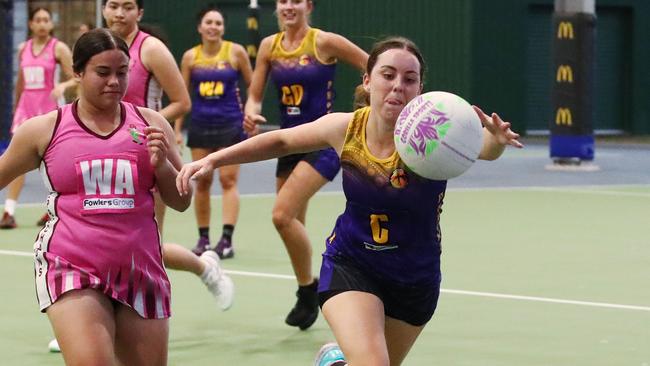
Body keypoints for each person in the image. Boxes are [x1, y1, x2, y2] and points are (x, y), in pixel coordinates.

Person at [177, 36, 523, 365]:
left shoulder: (436, 136)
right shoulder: (346, 129)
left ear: (420, 90)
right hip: (352, 264)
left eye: (409, 78)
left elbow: (482, 150)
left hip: (416, 277)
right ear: (368, 80)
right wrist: (214, 159)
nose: (398, 85)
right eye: (388, 75)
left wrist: (495, 140)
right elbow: (281, 141)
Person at [0, 28, 192, 365]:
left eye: (122, 72)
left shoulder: (151, 124)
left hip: (139, 266)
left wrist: (162, 167)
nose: (114, 82)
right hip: (71, 264)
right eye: (103, 73)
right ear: (77, 73)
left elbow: (181, 200)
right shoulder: (46, 129)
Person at [243, 0, 368, 330]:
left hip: (322, 142)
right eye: (283, 1)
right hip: (290, 142)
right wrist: (251, 111)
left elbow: (371, 66)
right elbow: (255, 93)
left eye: (295, 0)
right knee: (291, 224)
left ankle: (316, 287)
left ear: (307, 6)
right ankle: (308, 292)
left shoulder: (323, 41)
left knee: (281, 215)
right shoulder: (270, 46)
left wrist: (367, 103)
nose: (288, 6)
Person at [102, 0, 233, 308]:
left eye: (128, 6)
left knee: (148, 245)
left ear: (140, 13)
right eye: (113, 5)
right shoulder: (98, 46)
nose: (120, 13)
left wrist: (139, 124)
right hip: (105, 156)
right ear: (104, 9)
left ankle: (204, 269)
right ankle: (90, 314)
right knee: (101, 237)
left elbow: (181, 102)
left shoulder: (151, 49)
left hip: (147, 155)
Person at [177, 5, 253, 258]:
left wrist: (250, 116)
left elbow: (254, 87)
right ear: (200, 27)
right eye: (208, 22)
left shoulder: (236, 52)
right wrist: (177, 130)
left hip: (230, 124)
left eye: (218, 23)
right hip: (199, 125)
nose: (213, 27)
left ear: (223, 28)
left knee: (228, 180)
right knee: (202, 182)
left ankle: (227, 241)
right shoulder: (190, 57)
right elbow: (182, 95)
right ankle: (203, 239)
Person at [0, 7, 76, 229]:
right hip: (26, 111)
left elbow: (78, 78)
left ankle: (55, 209)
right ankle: (9, 212)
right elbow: (21, 83)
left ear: (50, 24)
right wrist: (16, 108)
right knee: (17, 161)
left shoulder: (59, 49)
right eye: (38, 20)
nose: (43, 24)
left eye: (46, 20)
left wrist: (63, 84)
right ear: (31, 24)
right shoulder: (23, 49)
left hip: (49, 113)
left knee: (54, 163)